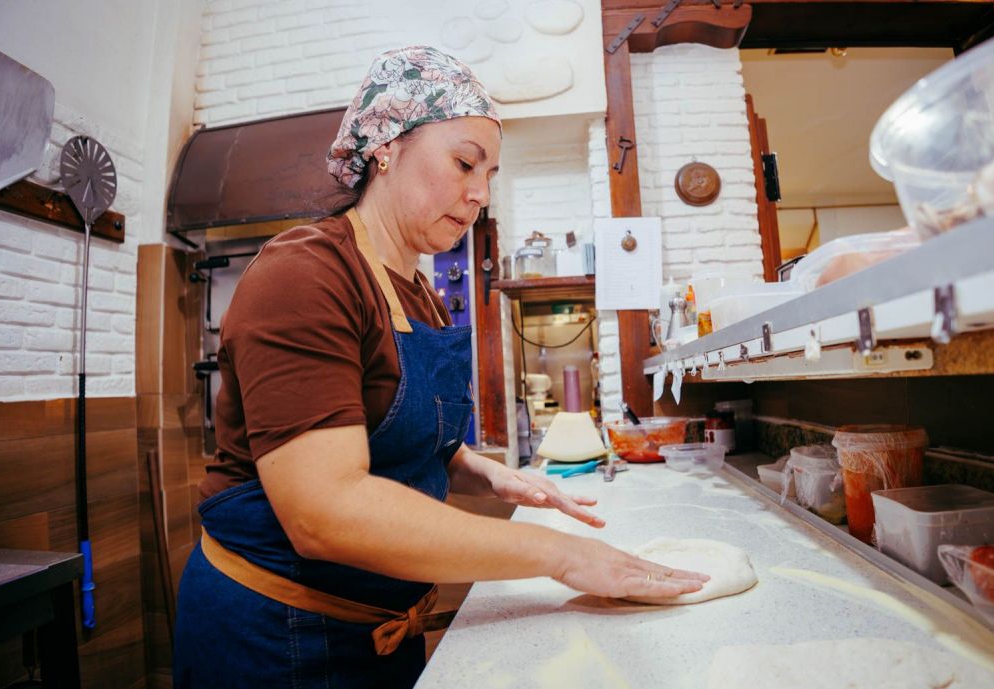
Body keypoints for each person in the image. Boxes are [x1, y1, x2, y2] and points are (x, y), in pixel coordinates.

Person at [172, 46, 708, 688]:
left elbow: (389, 435)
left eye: (490, 174)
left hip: (381, 627)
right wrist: (561, 556)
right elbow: (325, 511)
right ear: (385, 150)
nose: (480, 193)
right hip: (275, 635)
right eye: (463, 163)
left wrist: (484, 473)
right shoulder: (305, 275)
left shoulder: (418, 291)